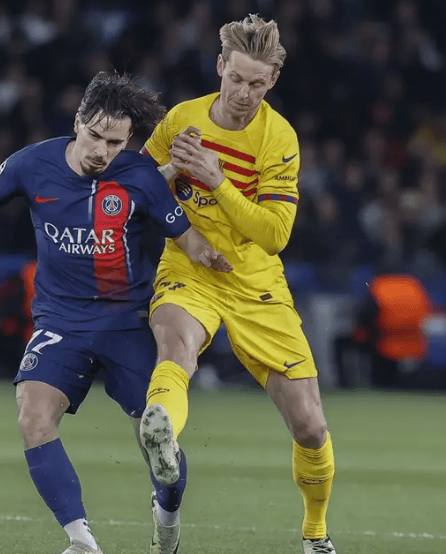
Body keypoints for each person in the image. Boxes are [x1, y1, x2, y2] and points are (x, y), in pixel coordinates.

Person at [0, 71, 231, 554]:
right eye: (95, 136)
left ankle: (167, 516)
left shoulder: (141, 177)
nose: (102, 150)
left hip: (127, 323)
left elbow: (184, 235)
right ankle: (81, 541)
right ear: (78, 122)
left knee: (155, 434)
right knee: (32, 416)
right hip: (60, 321)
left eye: (115, 143)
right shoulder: (33, 163)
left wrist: (212, 255)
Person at [136, 16, 338, 554]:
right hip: (189, 266)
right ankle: (162, 431)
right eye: (237, 79)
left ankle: (315, 533)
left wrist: (215, 178)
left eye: (257, 83)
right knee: (176, 348)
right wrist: (167, 174)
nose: (244, 93)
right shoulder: (181, 118)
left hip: (254, 281)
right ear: (220, 66)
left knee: (310, 428)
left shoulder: (278, 137)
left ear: (272, 81)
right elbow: (133, 193)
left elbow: (274, 235)